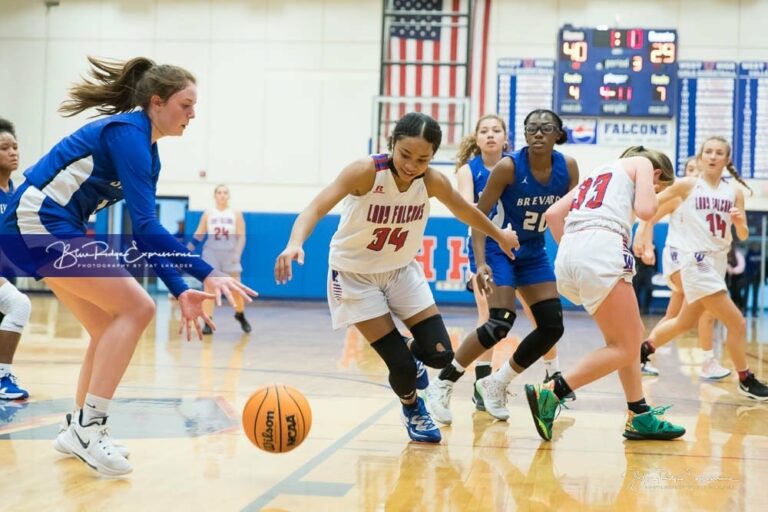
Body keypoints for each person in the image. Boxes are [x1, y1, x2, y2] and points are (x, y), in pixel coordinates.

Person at [0, 57, 255, 476]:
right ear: (156, 102)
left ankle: (76, 428)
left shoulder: (148, 153)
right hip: (38, 222)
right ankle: (90, 428)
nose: (193, 114)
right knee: (138, 309)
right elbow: (149, 227)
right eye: (185, 104)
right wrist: (207, 270)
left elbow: (143, 235)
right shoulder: (128, 134)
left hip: (47, 225)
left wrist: (180, 286)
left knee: (106, 327)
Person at [274, 112, 520, 443]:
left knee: (440, 354)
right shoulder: (365, 171)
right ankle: (413, 409)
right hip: (354, 275)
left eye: (423, 159)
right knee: (402, 367)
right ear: (391, 144)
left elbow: (465, 210)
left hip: (401, 270)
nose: (411, 164)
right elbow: (316, 207)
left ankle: (407, 353)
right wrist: (294, 243)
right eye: (405, 154)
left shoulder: (432, 181)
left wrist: (499, 235)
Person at [425, 109, 579, 424]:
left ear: (557, 134)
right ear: (523, 134)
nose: (538, 133)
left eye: (545, 128)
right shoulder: (509, 167)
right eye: (531, 128)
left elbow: (573, 215)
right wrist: (479, 262)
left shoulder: (569, 167)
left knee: (552, 326)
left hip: (532, 250)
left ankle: (496, 383)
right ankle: (443, 382)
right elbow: (477, 217)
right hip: (497, 247)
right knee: (500, 321)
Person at [526, 145, 686, 442]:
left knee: (629, 336)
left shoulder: (597, 173)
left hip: (571, 250)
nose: (655, 191)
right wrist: (648, 207)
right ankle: (553, 392)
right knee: (627, 347)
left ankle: (638, 414)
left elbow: (552, 215)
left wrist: (578, 251)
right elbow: (647, 210)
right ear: (657, 174)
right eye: (658, 187)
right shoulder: (640, 163)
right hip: (602, 246)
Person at [634, 136, 768, 401]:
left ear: (727, 159)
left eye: (719, 152)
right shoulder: (687, 185)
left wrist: (739, 222)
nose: (713, 156)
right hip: (694, 260)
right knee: (737, 322)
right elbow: (653, 205)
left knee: (684, 321)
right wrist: (641, 231)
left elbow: (740, 235)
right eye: (708, 151)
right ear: (701, 156)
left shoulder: (734, 193)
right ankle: (745, 377)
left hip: (717, 262)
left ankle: (643, 350)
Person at [639, 156, 729, 380]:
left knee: (674, 316)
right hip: (680, 259)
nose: (693, 173)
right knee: (707, 305)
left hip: (699, 261)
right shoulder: (680, 194)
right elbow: (649, 217)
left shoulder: (710, 197)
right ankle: (708, 360)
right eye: (690, 169)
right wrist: (647, 244)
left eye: (696, 169)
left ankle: (643, 355)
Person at [189, 184, 252, 334]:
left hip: (230, 253)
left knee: (237, 288)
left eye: (225, 192)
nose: (222, 195)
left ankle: (240, 314)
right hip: (211, 252)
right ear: (215, 195)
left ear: (228, 196)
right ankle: (207, 322)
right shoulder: (208, 213)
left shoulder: (235, 213)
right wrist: (187, 250)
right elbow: (199, 233)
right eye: (219, 192)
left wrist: (238, 253)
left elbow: (242, 236)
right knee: (209, 288)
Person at [0, 117, 32, 400]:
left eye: (15, 146)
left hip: (7, 272)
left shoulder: (19, 194)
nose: (12, 152)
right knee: (19, 305)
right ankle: (2, 377)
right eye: (4, 147)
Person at [632, 244, 657, 315]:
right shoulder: (635, 245)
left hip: (648, 271)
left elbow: (655, 262)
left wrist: (653, 271)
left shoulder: (652, 247)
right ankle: (638, 308)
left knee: (649, 289)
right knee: (635, 291)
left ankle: (646, 308)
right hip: (638, 271)